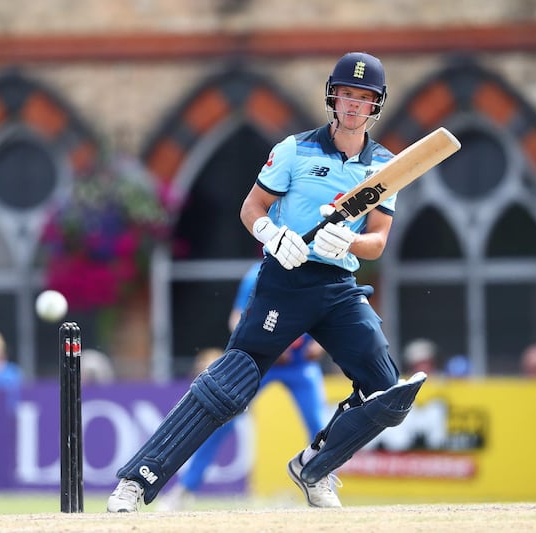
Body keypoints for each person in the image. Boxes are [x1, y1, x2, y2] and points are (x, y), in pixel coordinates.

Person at [107, 51, 427, 513]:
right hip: (287, 279)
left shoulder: (385, 167)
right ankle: (137, 481)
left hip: (339, 286)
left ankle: (314, 467)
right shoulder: (294, 150)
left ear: (376, 105)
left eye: (363, 98)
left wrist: (349, 245)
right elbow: (251, 207)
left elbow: (377, 240)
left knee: (385, 389)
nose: (353, 106)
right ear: (332, 98)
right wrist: (273, 235)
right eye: (346, 96)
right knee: (229, 383)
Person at [159, 262, 327, 510]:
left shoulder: (315, 271)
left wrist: (321, 344)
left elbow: (327, 313)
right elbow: (237, 318)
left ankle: (323, 485)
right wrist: (264, 345)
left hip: (300, 365)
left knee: (320, 427)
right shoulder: (257, 275)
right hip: (262, 362)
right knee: (223, 419)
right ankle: (186, 488)